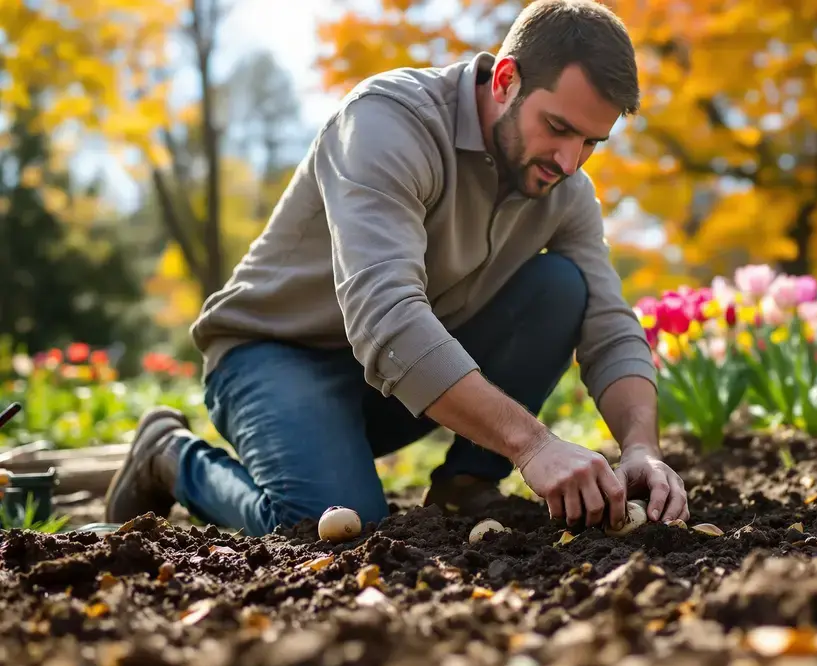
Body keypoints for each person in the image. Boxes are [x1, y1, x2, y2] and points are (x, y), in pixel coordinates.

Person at [103, 0, 690, 538]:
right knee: (333, 528)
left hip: (392, 382)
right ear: (506, 80)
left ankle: (467, 485)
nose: (569, 161)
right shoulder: (388, 122)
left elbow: (610, 325)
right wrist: (533, 445)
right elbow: (385, 316)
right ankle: (171, 456)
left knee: (565, 288)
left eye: (592, 142)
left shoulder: (565, 190)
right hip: (274, 356)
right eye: (559, 128)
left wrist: (641, 449)